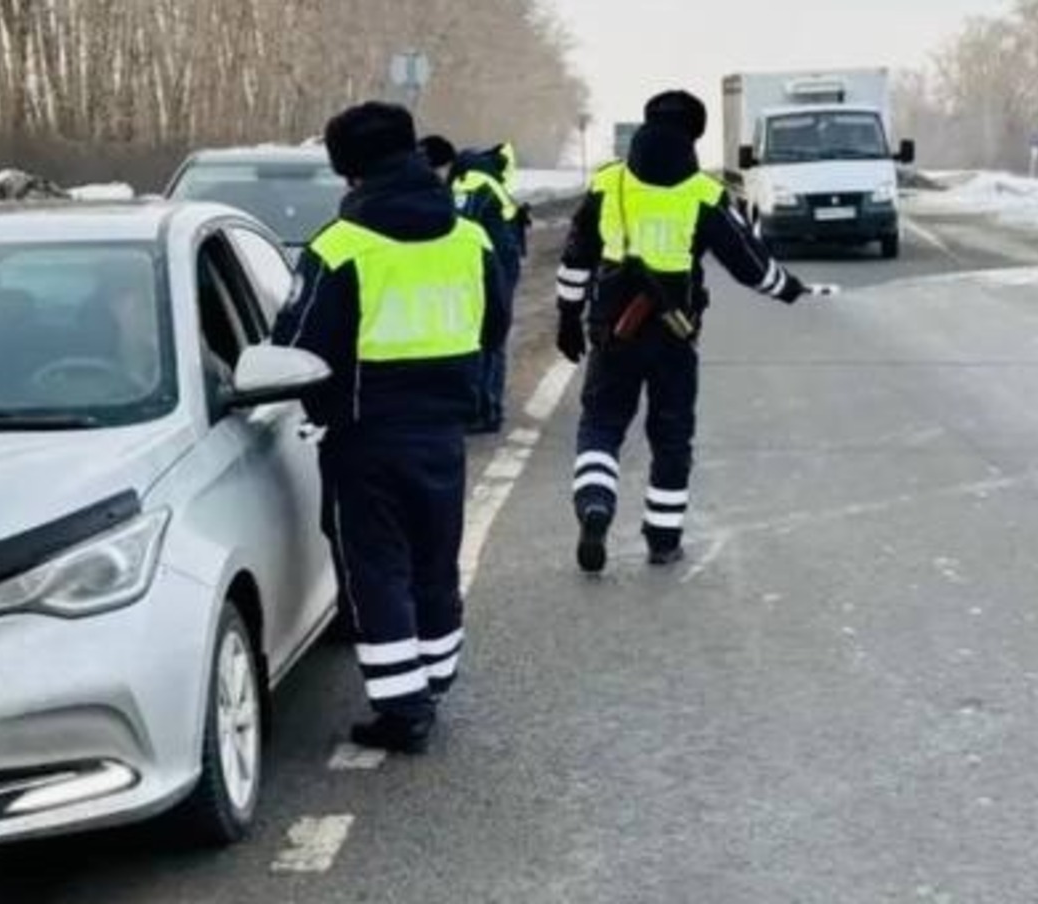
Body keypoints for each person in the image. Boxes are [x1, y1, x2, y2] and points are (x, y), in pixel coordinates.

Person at [273, 102, 509, 753]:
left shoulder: (338, 247)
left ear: (347, 169)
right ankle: (435, 677)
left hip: (364, 437)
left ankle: (403, 709)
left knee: (377, 568)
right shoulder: (470, 239)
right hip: (444, 431)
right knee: (435, 558)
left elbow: (296, 345)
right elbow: (493, 327)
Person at [555, 89, 822, 574]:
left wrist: (568, 317)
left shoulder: (608, 183)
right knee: (671, 437)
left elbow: (576, 258)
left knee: (602, 425)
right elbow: (748, 264)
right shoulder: (703, 193)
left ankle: (595, 505)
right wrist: (788, 288)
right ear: (695, 135)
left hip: (613, 330)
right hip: (674, 332)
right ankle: (663, 540)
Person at [437, 139, 526, 434]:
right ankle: (486, 408)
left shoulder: (468, 183)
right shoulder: (486, 182)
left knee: (481, 336)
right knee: (491, 336)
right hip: (496, 265)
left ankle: (481, 409)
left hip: (479, 267)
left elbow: (458, 228)